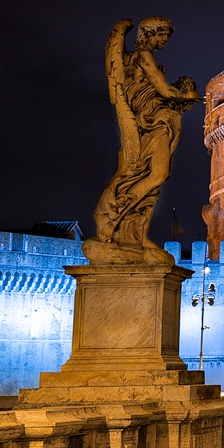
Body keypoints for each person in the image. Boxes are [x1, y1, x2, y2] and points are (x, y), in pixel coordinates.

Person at [90, 17, 200, 263]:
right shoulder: (142, 56)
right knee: (157, 174)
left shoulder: (135, 59)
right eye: (162, 35)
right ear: (149, 33)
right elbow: (164, 91)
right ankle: (115, 214)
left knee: (150, 177)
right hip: (152, 122)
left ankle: (136, 235)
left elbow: (156, 92)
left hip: (155, 119)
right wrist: (189, 95)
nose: (165, 40)